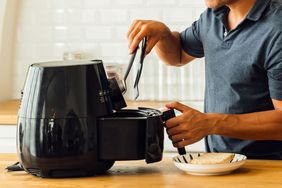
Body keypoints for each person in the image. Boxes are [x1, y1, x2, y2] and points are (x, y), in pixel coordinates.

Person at [127, 0, 282, 159]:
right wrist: (163, 34)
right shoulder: (212, 17)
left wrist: (211, 123)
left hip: (269, 167)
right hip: (220, 162)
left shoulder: (277, 28)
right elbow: (178, 55)